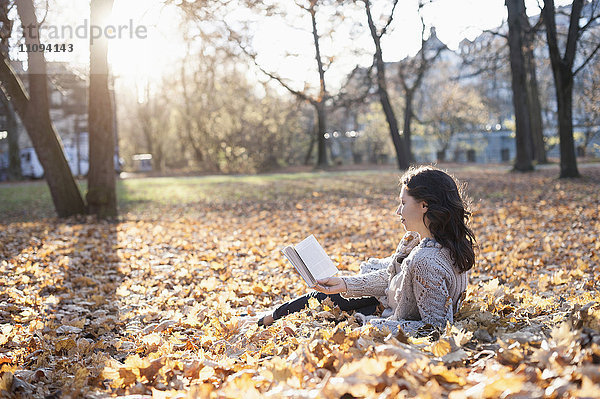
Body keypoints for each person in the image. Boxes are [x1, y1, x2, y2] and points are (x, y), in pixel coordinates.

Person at [258, 165, 477, 335]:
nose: (397, 210)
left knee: (321, 307)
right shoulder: (434, 241)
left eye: (403, 203)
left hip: (388, 315)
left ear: (424, 205)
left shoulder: (426, 261)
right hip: (388, 302)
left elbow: (435, 329)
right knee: (325, 296)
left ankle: (265, 319)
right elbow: (395, 277)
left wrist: (370, 325)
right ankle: (265, 318)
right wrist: (345, 284)